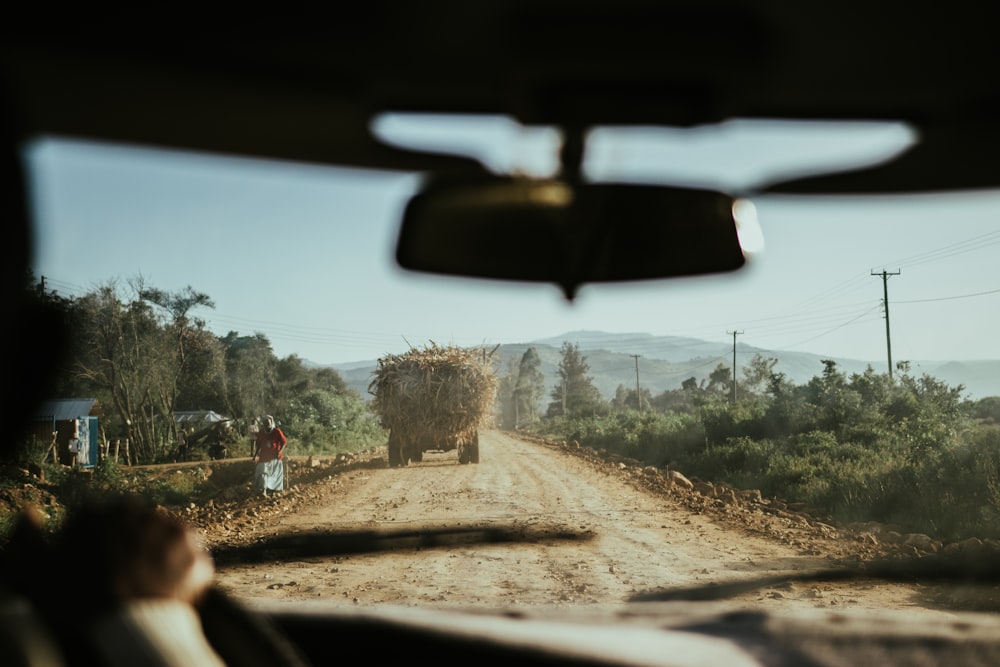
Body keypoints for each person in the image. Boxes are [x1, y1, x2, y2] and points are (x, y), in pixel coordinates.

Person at [252, 415, 286, 496]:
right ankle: (263, 490)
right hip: (264, 457)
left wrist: (280, 451)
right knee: (263, 472)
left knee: (274, 474)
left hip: (275, 457)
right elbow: (259, 445)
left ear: (271, 422)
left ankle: (273, 491)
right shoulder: (261, 433)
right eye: (265, 422)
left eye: (268, 422)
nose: (266, 424)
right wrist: (255, 456)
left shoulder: (277, 431)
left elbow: (284, 442)